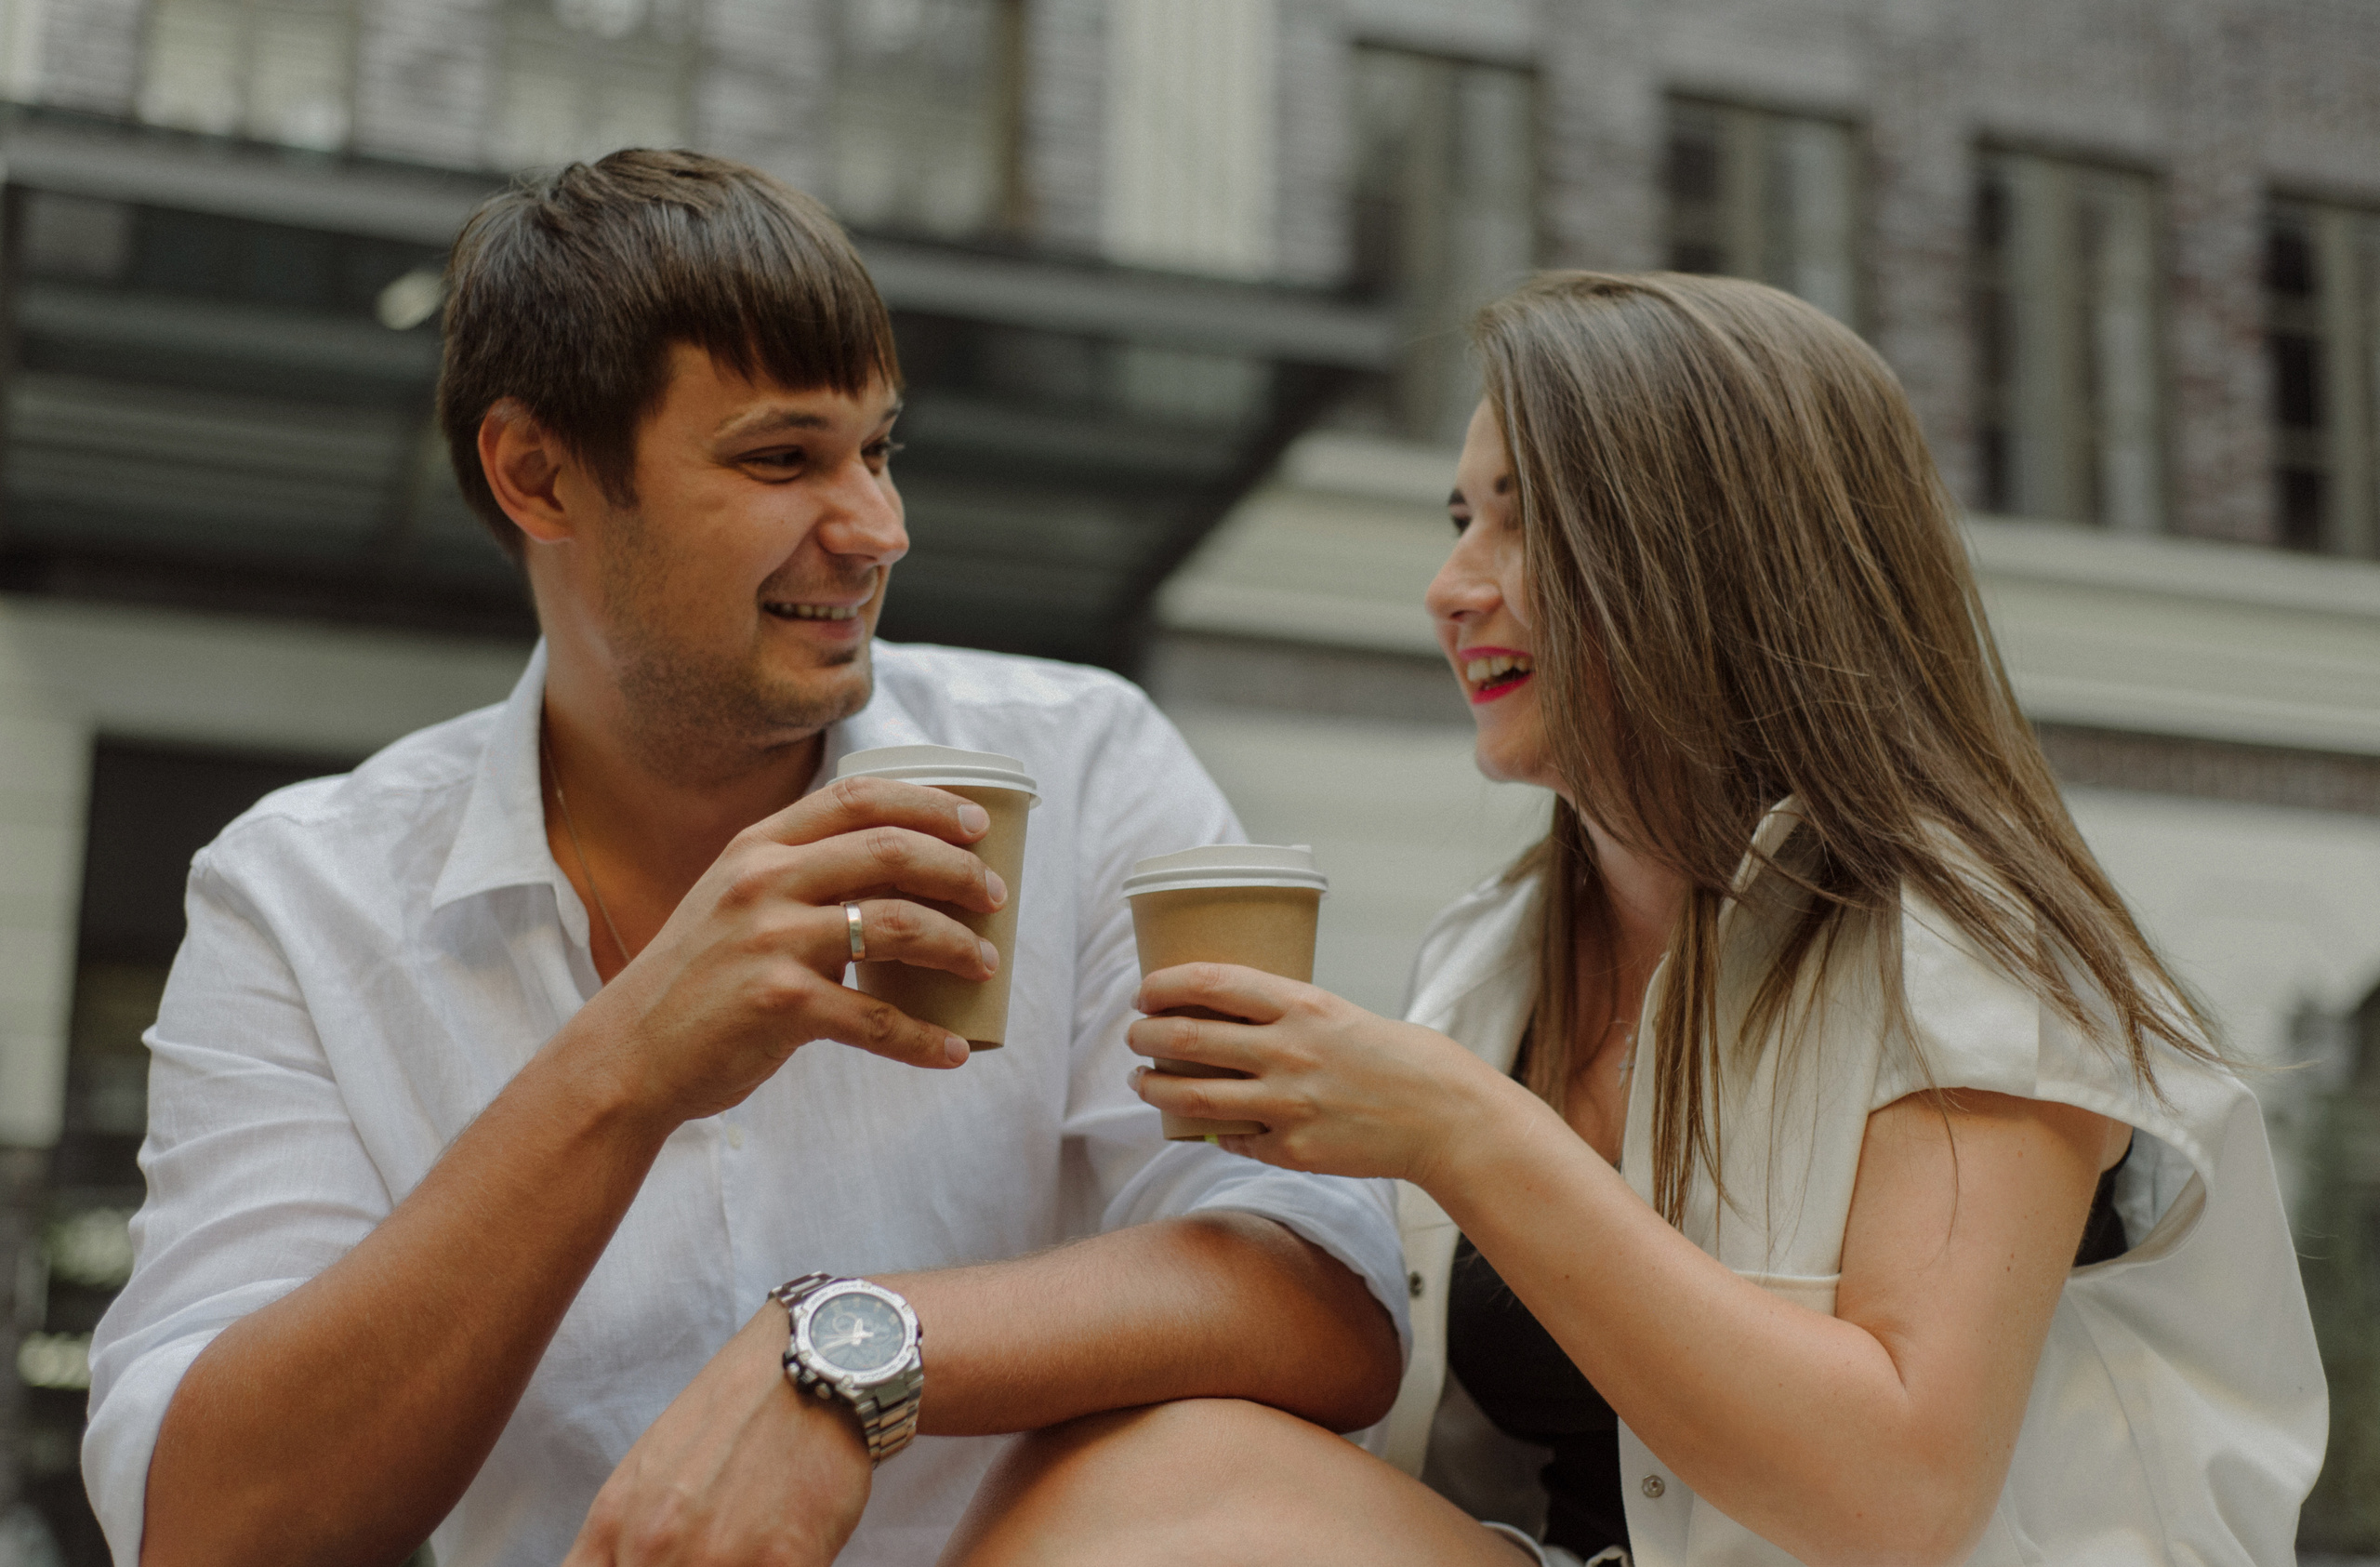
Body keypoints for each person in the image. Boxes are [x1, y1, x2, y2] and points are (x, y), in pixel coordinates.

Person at [81, 150, 1408, 1567]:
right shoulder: (298, 897)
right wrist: (627, 1065)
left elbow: (1326, 1289)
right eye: (783, 458)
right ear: (537, 475)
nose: (878, 529)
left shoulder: (1081, 766)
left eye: (880, 449)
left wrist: (849, 1355)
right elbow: (211, 1527)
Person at [938, 272, 2328, 1567]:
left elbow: (1903, 1489)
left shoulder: (1973, 937)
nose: (1453, 586)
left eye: (1525, 517)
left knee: (1165, 1485)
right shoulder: (1495, 959)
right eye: (1458, 518)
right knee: (1131, 1470)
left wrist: (1461, 1132)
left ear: (1717, 553)